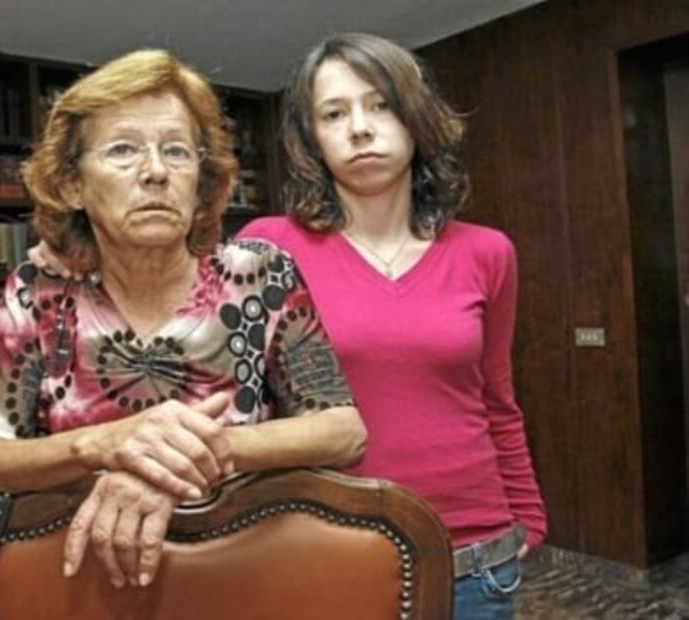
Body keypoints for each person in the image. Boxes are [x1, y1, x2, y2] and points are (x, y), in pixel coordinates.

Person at [31, 34, 547, 619]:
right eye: (334, 114)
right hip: (322, 546)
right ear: (312, 139)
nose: (359, 128)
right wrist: (75, 254)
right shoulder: (266, 250)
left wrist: (527, 517)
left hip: (474, 557)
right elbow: (167, 301)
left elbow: (497, 399)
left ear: (416, 118)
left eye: (380, 106)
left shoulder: (487, 252)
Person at [0, 49, 367, 591]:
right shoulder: (40, 292)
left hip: (247, 574)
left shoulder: (258, 274)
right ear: (73, 185)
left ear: (200, 185)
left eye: (176, 151)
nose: (155, 172)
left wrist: (183, 459)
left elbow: (343, 432)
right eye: (123, 150)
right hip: (83, 582)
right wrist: (103, 444)